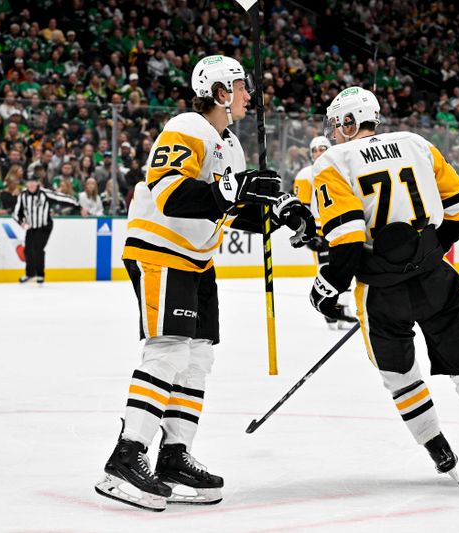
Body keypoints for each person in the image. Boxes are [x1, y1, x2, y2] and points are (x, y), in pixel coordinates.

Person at [94, 55, 315, 511]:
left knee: (197, 358)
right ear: (218, 92)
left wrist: (280, 211)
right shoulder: (186, 127)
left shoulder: (229, 144)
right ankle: (125, 457)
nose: (248, 95)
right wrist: (235, 190)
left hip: (197, 259)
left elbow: (231, 210)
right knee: (170, 349)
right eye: (240, 86)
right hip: (162, 251)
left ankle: (173, 455)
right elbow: (169, 193)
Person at [309, 87, 459, 497]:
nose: (337, 131)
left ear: (349, 121)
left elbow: (345, 239)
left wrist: (326, 289)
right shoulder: (417, 144)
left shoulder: (333, 160)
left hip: (380, 294)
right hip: (437, 280)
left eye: (338, 122)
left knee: (400, 377)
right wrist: (426, 253)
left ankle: (438, 450)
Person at [292, 135, 357, 329]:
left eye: (323, 148)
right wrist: (308, 235)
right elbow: (299, 209)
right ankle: (330, 311)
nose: (319, 153)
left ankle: (344, 309)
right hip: (320, 231)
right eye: (315, 150)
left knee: (347, 269)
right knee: (327, 271)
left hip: (341, 228)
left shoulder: (342, 171)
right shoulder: (305, 175)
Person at [12, 173, 83, 284]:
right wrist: (22, 223)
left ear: (37, 183)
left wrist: (79, 206)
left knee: (37, 248)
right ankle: (30, 274)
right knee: (28, 250)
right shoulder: (22, 195)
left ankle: (40, 275)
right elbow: (16, 213)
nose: (31, 184)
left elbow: (62, 198)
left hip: (45, 225)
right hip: (31, 227)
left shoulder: (45, 193)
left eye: (33, 182)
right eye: (29, 182)